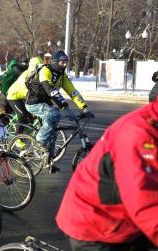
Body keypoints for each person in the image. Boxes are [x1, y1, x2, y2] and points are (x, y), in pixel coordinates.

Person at [56, 100, 158, 250]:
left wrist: (82, 105)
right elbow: (144, 199)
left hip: (126, 219)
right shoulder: (139, 132)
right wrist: (64, 103)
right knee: (49, 117)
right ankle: (43, 147)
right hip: (97, 223)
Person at [25, 50, 93, 173]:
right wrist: (65, 108)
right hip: (34, 103)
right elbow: (51, 90)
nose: (65, 65)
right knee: (54, 114)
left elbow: (73, 91)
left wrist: (84, 108)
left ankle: (48, 160)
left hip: (46, 103)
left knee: (54, 132)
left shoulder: (62, 75)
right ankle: (39, 140)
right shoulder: (46, 71)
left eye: (66, 62)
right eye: (62, 62)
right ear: (55, 62)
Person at [6, 57, 44, 132]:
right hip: (14, 97)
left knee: (30, 116)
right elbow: (25, 90)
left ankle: (25, 133)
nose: (40, 69)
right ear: (33, 67)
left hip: (23, 96)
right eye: (38, 67)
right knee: (22, 115)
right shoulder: (26, 75)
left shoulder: (38, 75)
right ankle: (17, 138)